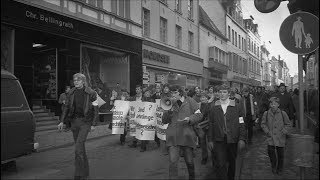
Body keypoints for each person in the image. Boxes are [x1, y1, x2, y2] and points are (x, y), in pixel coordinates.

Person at [58, 73, 99, 180]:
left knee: (78, 148)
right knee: (80, 149)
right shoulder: (71, 92)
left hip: (85, 122)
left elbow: (95, 109)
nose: (76, 82)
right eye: (74, 80)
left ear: (83, 81)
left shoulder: (92, 93)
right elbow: (66, 107)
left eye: (78, 80)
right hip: (74, 123)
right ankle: (85, 173)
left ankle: (78, 174)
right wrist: (62, 121)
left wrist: (94, 124)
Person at [162, 85, 203, 180]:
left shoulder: (190, 101)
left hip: (187, 136)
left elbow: (199, 115)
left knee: (189, 161)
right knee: (172, 162)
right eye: (171, 93)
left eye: (175, 92)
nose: (172, 95)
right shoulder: (169, 103)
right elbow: (164, 120)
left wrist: (190, 119)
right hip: (173, 137)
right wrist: (168, 112)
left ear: (180, 92)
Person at [207, 84, 246, 180]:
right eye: (220, 92)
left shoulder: (237, 107)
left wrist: (242, 138)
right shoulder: (214, 107)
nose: (222, 94)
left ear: (229, 94)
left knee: (232, 162)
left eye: (224, 92)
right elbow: (211, 124)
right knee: (220, 163)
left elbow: (241, 122)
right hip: (219, 139)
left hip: (233, 139)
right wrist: (210, 140)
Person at [261, 97, 292, 175]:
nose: (273, 105)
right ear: (269, 105)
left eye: (275, 104)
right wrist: (267, 131)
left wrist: (284, 130)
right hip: (270, 137)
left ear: (278, 104)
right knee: (271, 154)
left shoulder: (283, 113)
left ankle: (280, 168)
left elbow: (288, 124)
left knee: (280, 155)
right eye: (271, 104)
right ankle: (273, 166)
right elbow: (263, 124)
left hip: (280, 137)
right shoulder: (266, 113)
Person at [198, 92, 211, 165]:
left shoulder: (209, 105)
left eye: (204, 97)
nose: (202, 99)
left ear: (207, 98)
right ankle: (204, 157)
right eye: (201, 97)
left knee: (210, 143)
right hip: (201, 127)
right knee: (203, 143)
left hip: (208, 126)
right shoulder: (199, 105)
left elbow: (206, 116)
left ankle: (214, 156)